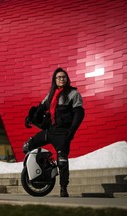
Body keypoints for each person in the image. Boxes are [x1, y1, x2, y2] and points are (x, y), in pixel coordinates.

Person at [23, 67, 85, 197]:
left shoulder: (73, 94)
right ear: (55, 80)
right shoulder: (51, 94)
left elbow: (79, 114)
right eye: (58, 77)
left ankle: (63, 188)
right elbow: (41, 107)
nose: (61, 79)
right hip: (50, 131)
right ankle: (47, 168)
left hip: (63, 134)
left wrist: (71, 132)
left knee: (62, 161)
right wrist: (30, 118)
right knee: (28, 146)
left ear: (67, 79)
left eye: (63, 77)